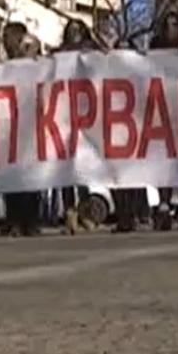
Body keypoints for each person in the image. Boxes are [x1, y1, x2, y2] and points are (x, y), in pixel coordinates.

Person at [56, 19, 99, 234]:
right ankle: (69, 214)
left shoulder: (92, 51)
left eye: (78, 29)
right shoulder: (59, 54)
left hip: (86, 116)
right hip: (64, 116)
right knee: (65, 170)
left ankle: (85, 213)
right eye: (70, 30)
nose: (74, 33)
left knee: (82, 169)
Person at [151, 12, 178, 230]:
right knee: (162, 161)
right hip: (161, 110)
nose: (171, 29)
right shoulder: (154, 46)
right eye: (167, 25)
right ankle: (164, 205)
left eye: (175, 24)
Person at [1, 22, 43, 237]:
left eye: (8, 37)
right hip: (9, 128)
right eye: (4, 37)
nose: (5, 41)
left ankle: (31, 220)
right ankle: (14, 220)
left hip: (33, 128)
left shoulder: (37, 64)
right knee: (12, 177)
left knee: (33, 177)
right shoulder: (2, 67)